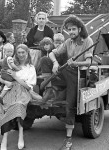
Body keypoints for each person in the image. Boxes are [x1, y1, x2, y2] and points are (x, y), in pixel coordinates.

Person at [40, 15, 94, 150]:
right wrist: (55, 62)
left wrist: (76, 63)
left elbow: (88, 63)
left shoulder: (88, 41)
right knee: (44, 60)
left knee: (70, 105)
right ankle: (50, 90)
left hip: (77, 76)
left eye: (73, 29)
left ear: (80, 29)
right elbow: (52, 53)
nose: (71, 32)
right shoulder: (68, 42)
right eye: (69, 30)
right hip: (64, 73)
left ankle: (68, 139)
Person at [0, 44, 37, 150]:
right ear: (16, 54)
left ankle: (20, 135)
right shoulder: (11, 64)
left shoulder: (30, 68)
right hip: (10, 89)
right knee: (4, 105)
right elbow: (1, 77)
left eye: (23, 52)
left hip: (23, 91)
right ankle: (5, 138)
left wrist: (15, 76)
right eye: (19, 53)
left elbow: (28, 86)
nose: (21, 55)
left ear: (27, 53)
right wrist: (5, 81)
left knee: (18, 105)